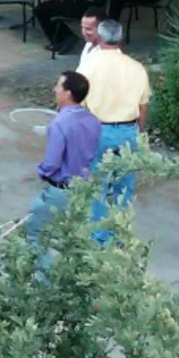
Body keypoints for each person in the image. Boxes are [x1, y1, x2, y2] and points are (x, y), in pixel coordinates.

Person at [79, 19, 151, 243]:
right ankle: (120, 233)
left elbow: (79, 102)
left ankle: (99, 238)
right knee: (125, 187)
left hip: (98, 130)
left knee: (96, 187)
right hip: (128, 130)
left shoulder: (88, 66)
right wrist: (139, 131)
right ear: (121, 39)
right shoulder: (136, 68)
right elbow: (143, 107)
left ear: (99, 38)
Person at [25, 71, 102, 247]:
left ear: (67, 93)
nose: (55, 89)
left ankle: (42, 274)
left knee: (35, 233)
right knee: (72, 241)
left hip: (60, 189)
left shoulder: (59, 123)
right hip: (84, 188)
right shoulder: (93, 121)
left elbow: (53, 162)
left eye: (59, 85)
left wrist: (42, 171)